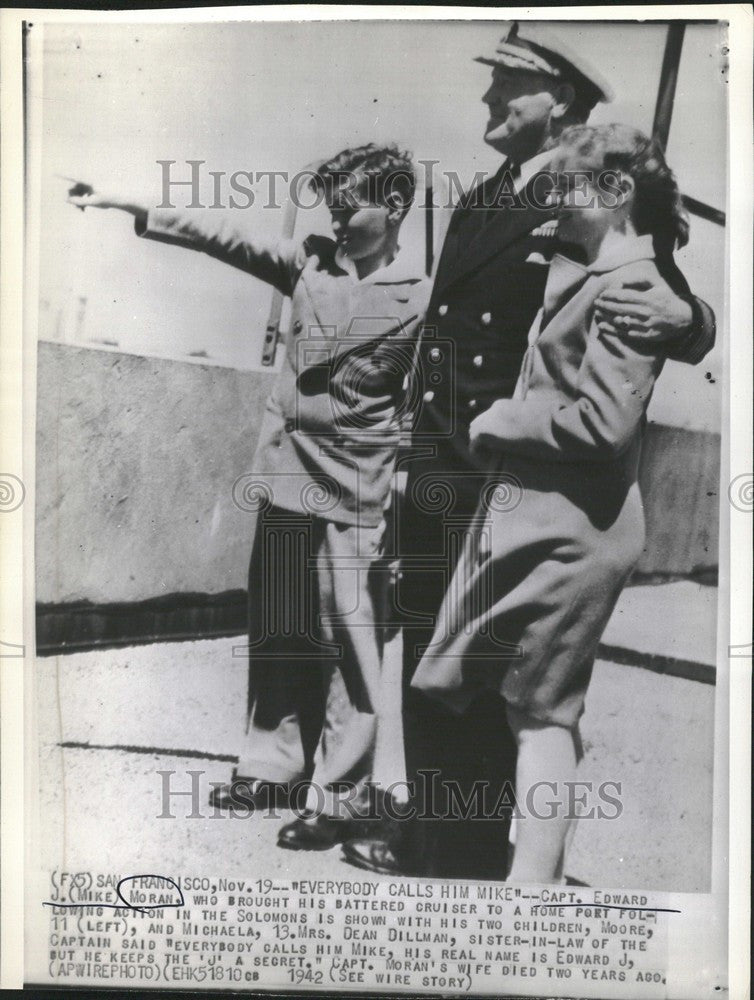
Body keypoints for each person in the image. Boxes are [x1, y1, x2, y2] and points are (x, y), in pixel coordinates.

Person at [342, 23, 716, 879]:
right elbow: (441, 333)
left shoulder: (584, 193)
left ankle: (462, 856)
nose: (488, 100)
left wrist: (695, 324)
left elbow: (667, 292)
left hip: (509, 477)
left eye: (509, 88)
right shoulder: (486, 197)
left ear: (562, 104)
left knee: (482, 675)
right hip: (439, 463)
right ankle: (437, 841)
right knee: (430, 660)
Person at [67, 143, 431, 851]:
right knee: (278, 622)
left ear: (392, 209)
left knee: (351, 642)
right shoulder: (309, 263)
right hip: (290, 464)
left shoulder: (421, 295)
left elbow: (421, 403)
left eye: (347, 205)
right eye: (328, 204)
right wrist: (130, 201)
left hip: (361, 480)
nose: (334, 218)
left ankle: (338, 792)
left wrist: (405, 483)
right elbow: (221, 236)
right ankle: (272, 764)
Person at [411, 122, 693, 882]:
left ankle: (528, 901)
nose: (549, 207)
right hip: (547, 521)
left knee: (541, 719)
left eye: (564, 189)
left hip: (574, 532)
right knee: (527, 712)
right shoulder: (601, 270)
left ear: (616, 192)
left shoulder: (633, 285)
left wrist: (502, 419)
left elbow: (603, 424)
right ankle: (531, 882)